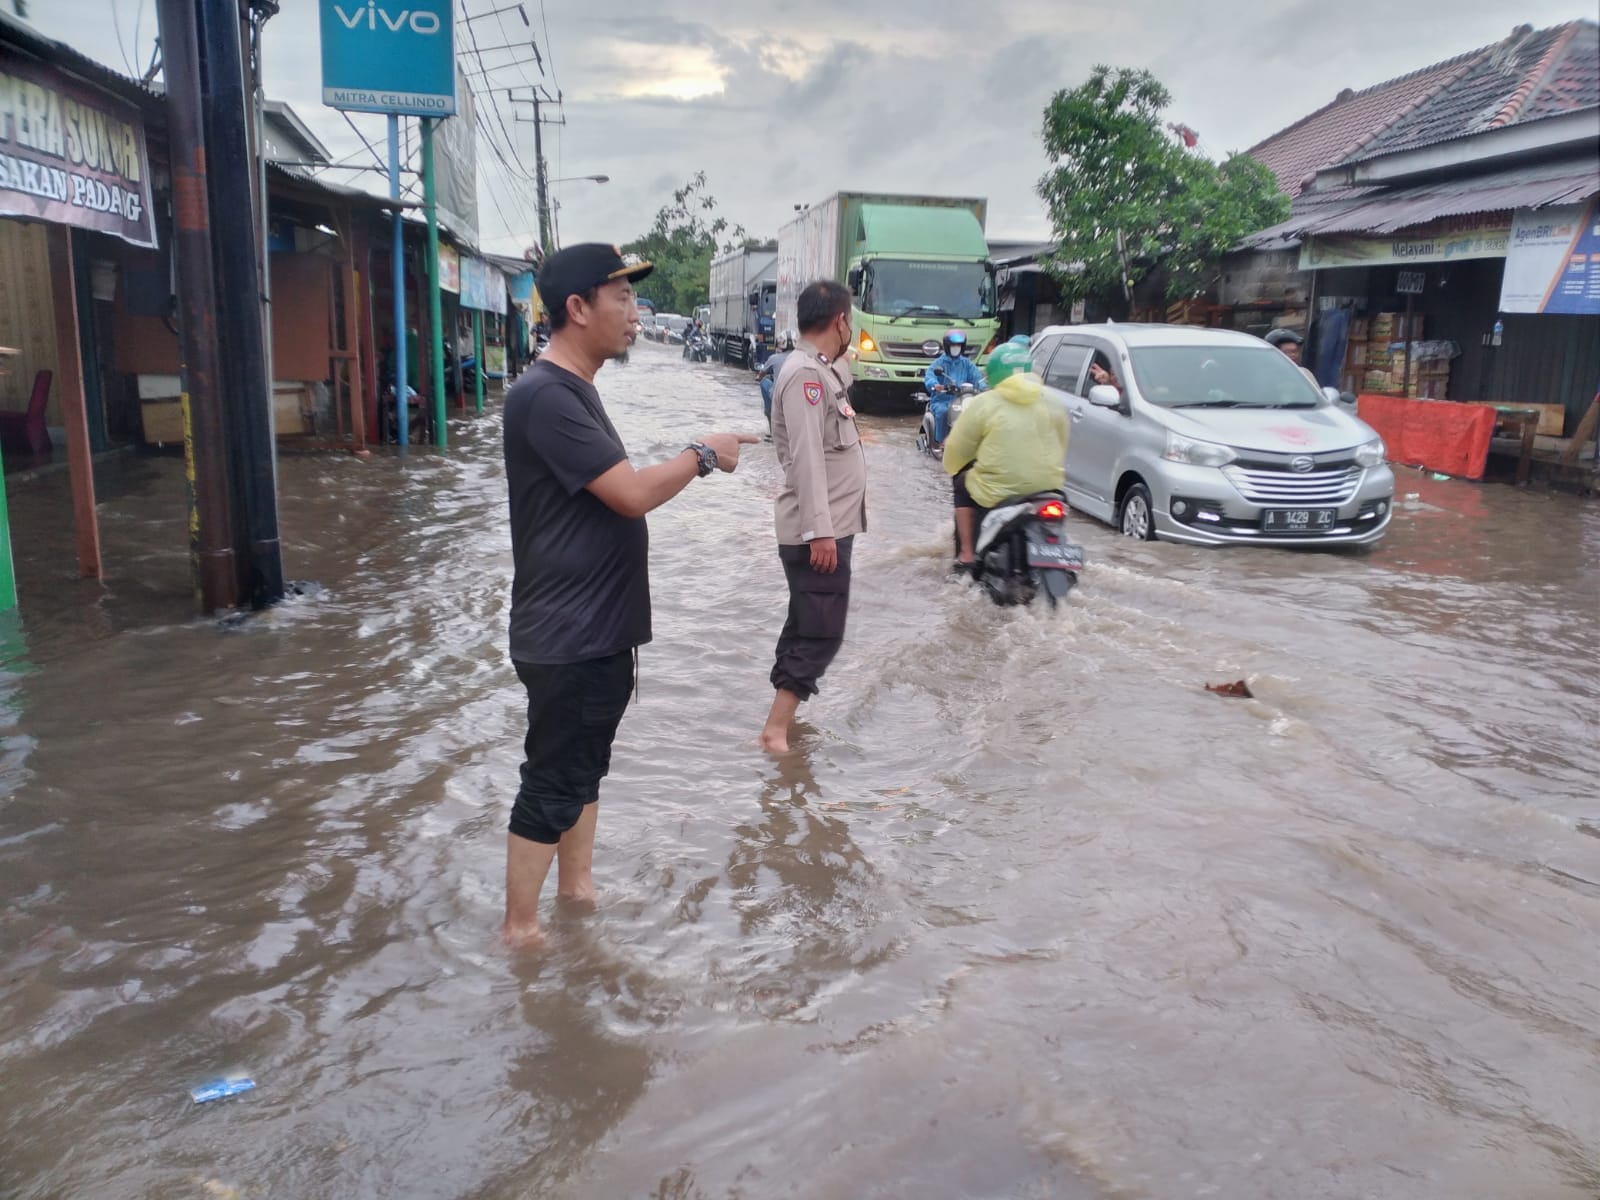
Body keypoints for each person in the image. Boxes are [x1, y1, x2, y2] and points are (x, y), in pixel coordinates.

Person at [500, 243, 757, 949]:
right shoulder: (548, 395)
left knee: (584, 768)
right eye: (622, 298)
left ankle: (576, 896)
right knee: (554, 778)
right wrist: (703, 453)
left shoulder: (570, 389)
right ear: (577, 309)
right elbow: (633, 495)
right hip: (569, 634)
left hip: (593, 631)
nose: (635, 313)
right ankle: (520, 933)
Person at [760, 281, 868, 754]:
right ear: (839, 321)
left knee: (808, 624)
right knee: (821, 632)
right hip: (818, 533)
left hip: (826, 528)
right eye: (850, 320)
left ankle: (781, 722)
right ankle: (776, 732)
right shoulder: (805, 375)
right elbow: (806, 459)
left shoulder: (820, 371)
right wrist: (820, 532)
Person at [943, 341, 1069, 568]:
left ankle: (967, 554)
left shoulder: (983, 403)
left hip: (998, 493)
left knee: (960, 482)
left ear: (993, 374)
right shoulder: (1053, 401)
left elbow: (956, 452)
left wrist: (953, 465)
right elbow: (1062, 443)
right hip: (1049, 489)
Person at [923, 329, 985, 445]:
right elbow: (930, 376)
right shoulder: (939, 363)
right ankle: (939, 443)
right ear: (947, 346)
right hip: (942, 401)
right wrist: (935, 385)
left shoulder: (967, 364)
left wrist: (984, 387)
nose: (956, 347)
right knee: (943, 412)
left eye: (958, 345)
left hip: (963, 401)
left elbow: (978, 378)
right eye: (953, 345)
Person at [757, 335, 797, 432]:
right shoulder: (804, 357)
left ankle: (769, 413)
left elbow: (761, 375)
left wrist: (758, 377)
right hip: (797, 394)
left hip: (778, 396)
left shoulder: (774, 358)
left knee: (763, 382)